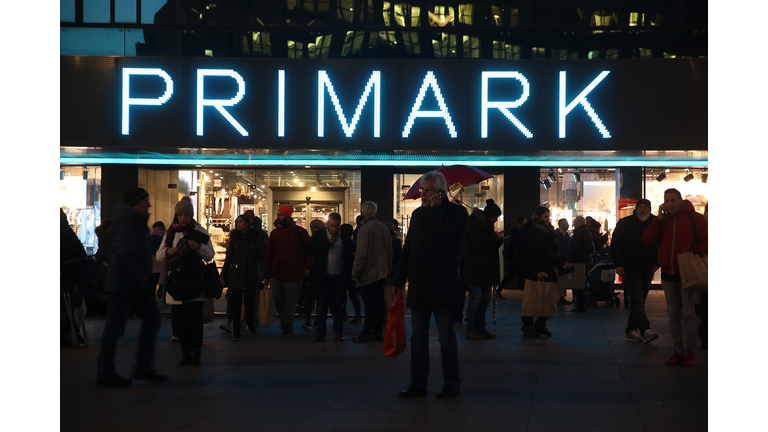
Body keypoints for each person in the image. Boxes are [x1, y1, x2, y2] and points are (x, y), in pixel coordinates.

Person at [392, 171, 468, 399]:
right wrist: (398, 279)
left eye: (426, 190)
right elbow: (409, 249)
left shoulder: (457, 212)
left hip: (443, 284)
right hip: (420, 285)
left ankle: (451, 383)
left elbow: (454, 235)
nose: (422, 194)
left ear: (439, 192)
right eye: (422, 190)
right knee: (418, 337)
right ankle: (418, 382)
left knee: (446, 337)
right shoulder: (417, 215)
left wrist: (436, 211)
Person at [96, 188, 166, 388]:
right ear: (135, 203)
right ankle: (106, 373)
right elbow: (126, 254)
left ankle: (141, 367)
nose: (149, 205)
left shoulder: (133, 221)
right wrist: (139, 279)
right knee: (115, 328)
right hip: (126, 284)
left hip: (132, 283)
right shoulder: (128, 223)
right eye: (145, 201)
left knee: (148, 321)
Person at [642, 188, 708, 367]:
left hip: (687, 273)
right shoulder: (663, 220)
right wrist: (658, 219)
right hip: (668, 273)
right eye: (667, 200)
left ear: (680, 200)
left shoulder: (696, 219)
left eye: (673, 200)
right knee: (672, 314)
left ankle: (690, 352)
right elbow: (647, 239)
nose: (670, 204)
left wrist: (694, 251)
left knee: (688, 313)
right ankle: (678, 351)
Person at [156, 196, 215, 366]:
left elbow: (210, 255)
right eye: (180, 214)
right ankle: (185, 353)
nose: (183, 217)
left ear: (191, 215)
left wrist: (199, 248)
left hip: (194, 283)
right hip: (176, 284)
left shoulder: (200, 232)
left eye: (186, 214)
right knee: (180, 321)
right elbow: (159, 255)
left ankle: (196, 352)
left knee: (194, 320)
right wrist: (168, 251)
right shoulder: (170, 233)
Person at [611, 199, 659, 343]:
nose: (642, 209)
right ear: (636, 208)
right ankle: (645, 330)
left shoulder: (655, 223)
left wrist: (657, 263)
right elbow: (616, 244)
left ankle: (630, 330)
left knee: (640, 300)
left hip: (648, 267)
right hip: (630, 267)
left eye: (645, 207)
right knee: (637, 300)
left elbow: (660, 243)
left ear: (649, 209)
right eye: (640, 207)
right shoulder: (625, 223)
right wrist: (618, 264)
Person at [219, 214, 269, 341]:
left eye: (240, 222)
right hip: (235, 275)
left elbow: (261, 257)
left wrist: (265, 275)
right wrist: (223, 274)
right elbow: (229, 257)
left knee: (249, 303)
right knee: (235, 304)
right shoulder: (234, 238)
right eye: (237, 222)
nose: (238, 224)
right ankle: (236, 330)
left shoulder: (255, 237)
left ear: (247, 223)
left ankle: (250, 323)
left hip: (251, 274)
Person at [265, 205, 313, 334]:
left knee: (290, 301)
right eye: (278, 215)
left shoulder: (300, 232)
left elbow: (309, 251)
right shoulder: (275, 233)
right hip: (278, 271)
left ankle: (287, 322)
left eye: (281, 215)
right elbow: (269, 253)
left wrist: (307, 267)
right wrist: (267, 271)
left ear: (288, 216)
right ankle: (286, 320)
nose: (278, 217)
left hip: (293, 272)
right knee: (278, 298)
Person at [308, 213, 355, 342]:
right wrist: (327, 244)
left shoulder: (344, 239)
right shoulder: (319, 235)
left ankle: (338, 332)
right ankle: (321, 332)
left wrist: (349, 276)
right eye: (332, 226)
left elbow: (349, 258)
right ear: (327, 224)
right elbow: (311, 250)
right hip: (323, 277)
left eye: (337, 226)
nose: (334, 229)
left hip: (338, 277)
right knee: (322, 305)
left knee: (338, 306)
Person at [520, 206, 566, 338]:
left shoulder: (548, 230)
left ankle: (541, 324)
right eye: (545, 216)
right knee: (531, 298)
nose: (548, 219)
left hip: (547, 268)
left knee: (550, 296)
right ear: (538, 217)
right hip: (534, 270)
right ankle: (528, 327)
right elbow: (528, 253)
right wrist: (537, 270)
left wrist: (560, 264)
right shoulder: (530, 229)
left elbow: (549, 253)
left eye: (548, 216)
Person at [351, 201, 393, 343]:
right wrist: (388, 270)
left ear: (363, 214)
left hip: (369, 272)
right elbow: (389, 251)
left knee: (369, 304)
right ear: (376, 213)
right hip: (382, 271)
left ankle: (367, 332)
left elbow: (361, 254)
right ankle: (378, 332)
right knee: (380, 303)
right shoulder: (384, 228)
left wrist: (355, 272)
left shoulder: (364, 229)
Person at [462, 199, 504, 340]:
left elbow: (486, 246)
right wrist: (494, 238)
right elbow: (478, 245)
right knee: (476, 300)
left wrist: (497, 239)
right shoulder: (475, 226)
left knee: (484, 300)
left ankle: (480, 328)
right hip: (477, 269)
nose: (495, 220)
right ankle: (472, 329)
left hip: (484, 269)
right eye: (494, 217)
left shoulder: (485, 225)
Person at [149, 221, 174, 340]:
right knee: (164, 283)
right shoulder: (167, 235)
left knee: (153, 286)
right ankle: (165, 298)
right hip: (163, 265)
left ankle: (153, 302)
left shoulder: (151, 235)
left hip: (153, 266)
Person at [301, 219, 327, 330]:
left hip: (310, 273)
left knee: (309, 298)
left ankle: (308, 321)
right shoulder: (325, 241)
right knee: (320, 299)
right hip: (321, 272)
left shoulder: (310, 241)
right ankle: (318, 321)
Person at [568, 216, 594, 313]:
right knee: (581, 283)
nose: (573, 224)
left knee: (578, 284)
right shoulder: (586, 232)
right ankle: (581, 303)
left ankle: (580, 304)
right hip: (584, 261)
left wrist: (570, 260)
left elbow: (576, 249)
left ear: (579, 222)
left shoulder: (580, 233)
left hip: (578, 262)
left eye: (574, 222)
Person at [340, 223, 363, 324]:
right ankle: (358, 316)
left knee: (342, 295)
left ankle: (344, 315)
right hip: (353, 272)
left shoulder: (341, 243)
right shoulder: (354, 243)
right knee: (354, 296)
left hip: (342, 272)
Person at [555, 218, 572, 305]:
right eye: (566, 223)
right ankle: (559, 297)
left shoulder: (566, 235)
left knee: (563, 280)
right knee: (559, 279)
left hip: (565, 260)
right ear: (561, 224)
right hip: (558, 260)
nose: (568, 225)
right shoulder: (557, 235)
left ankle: (562, 296)